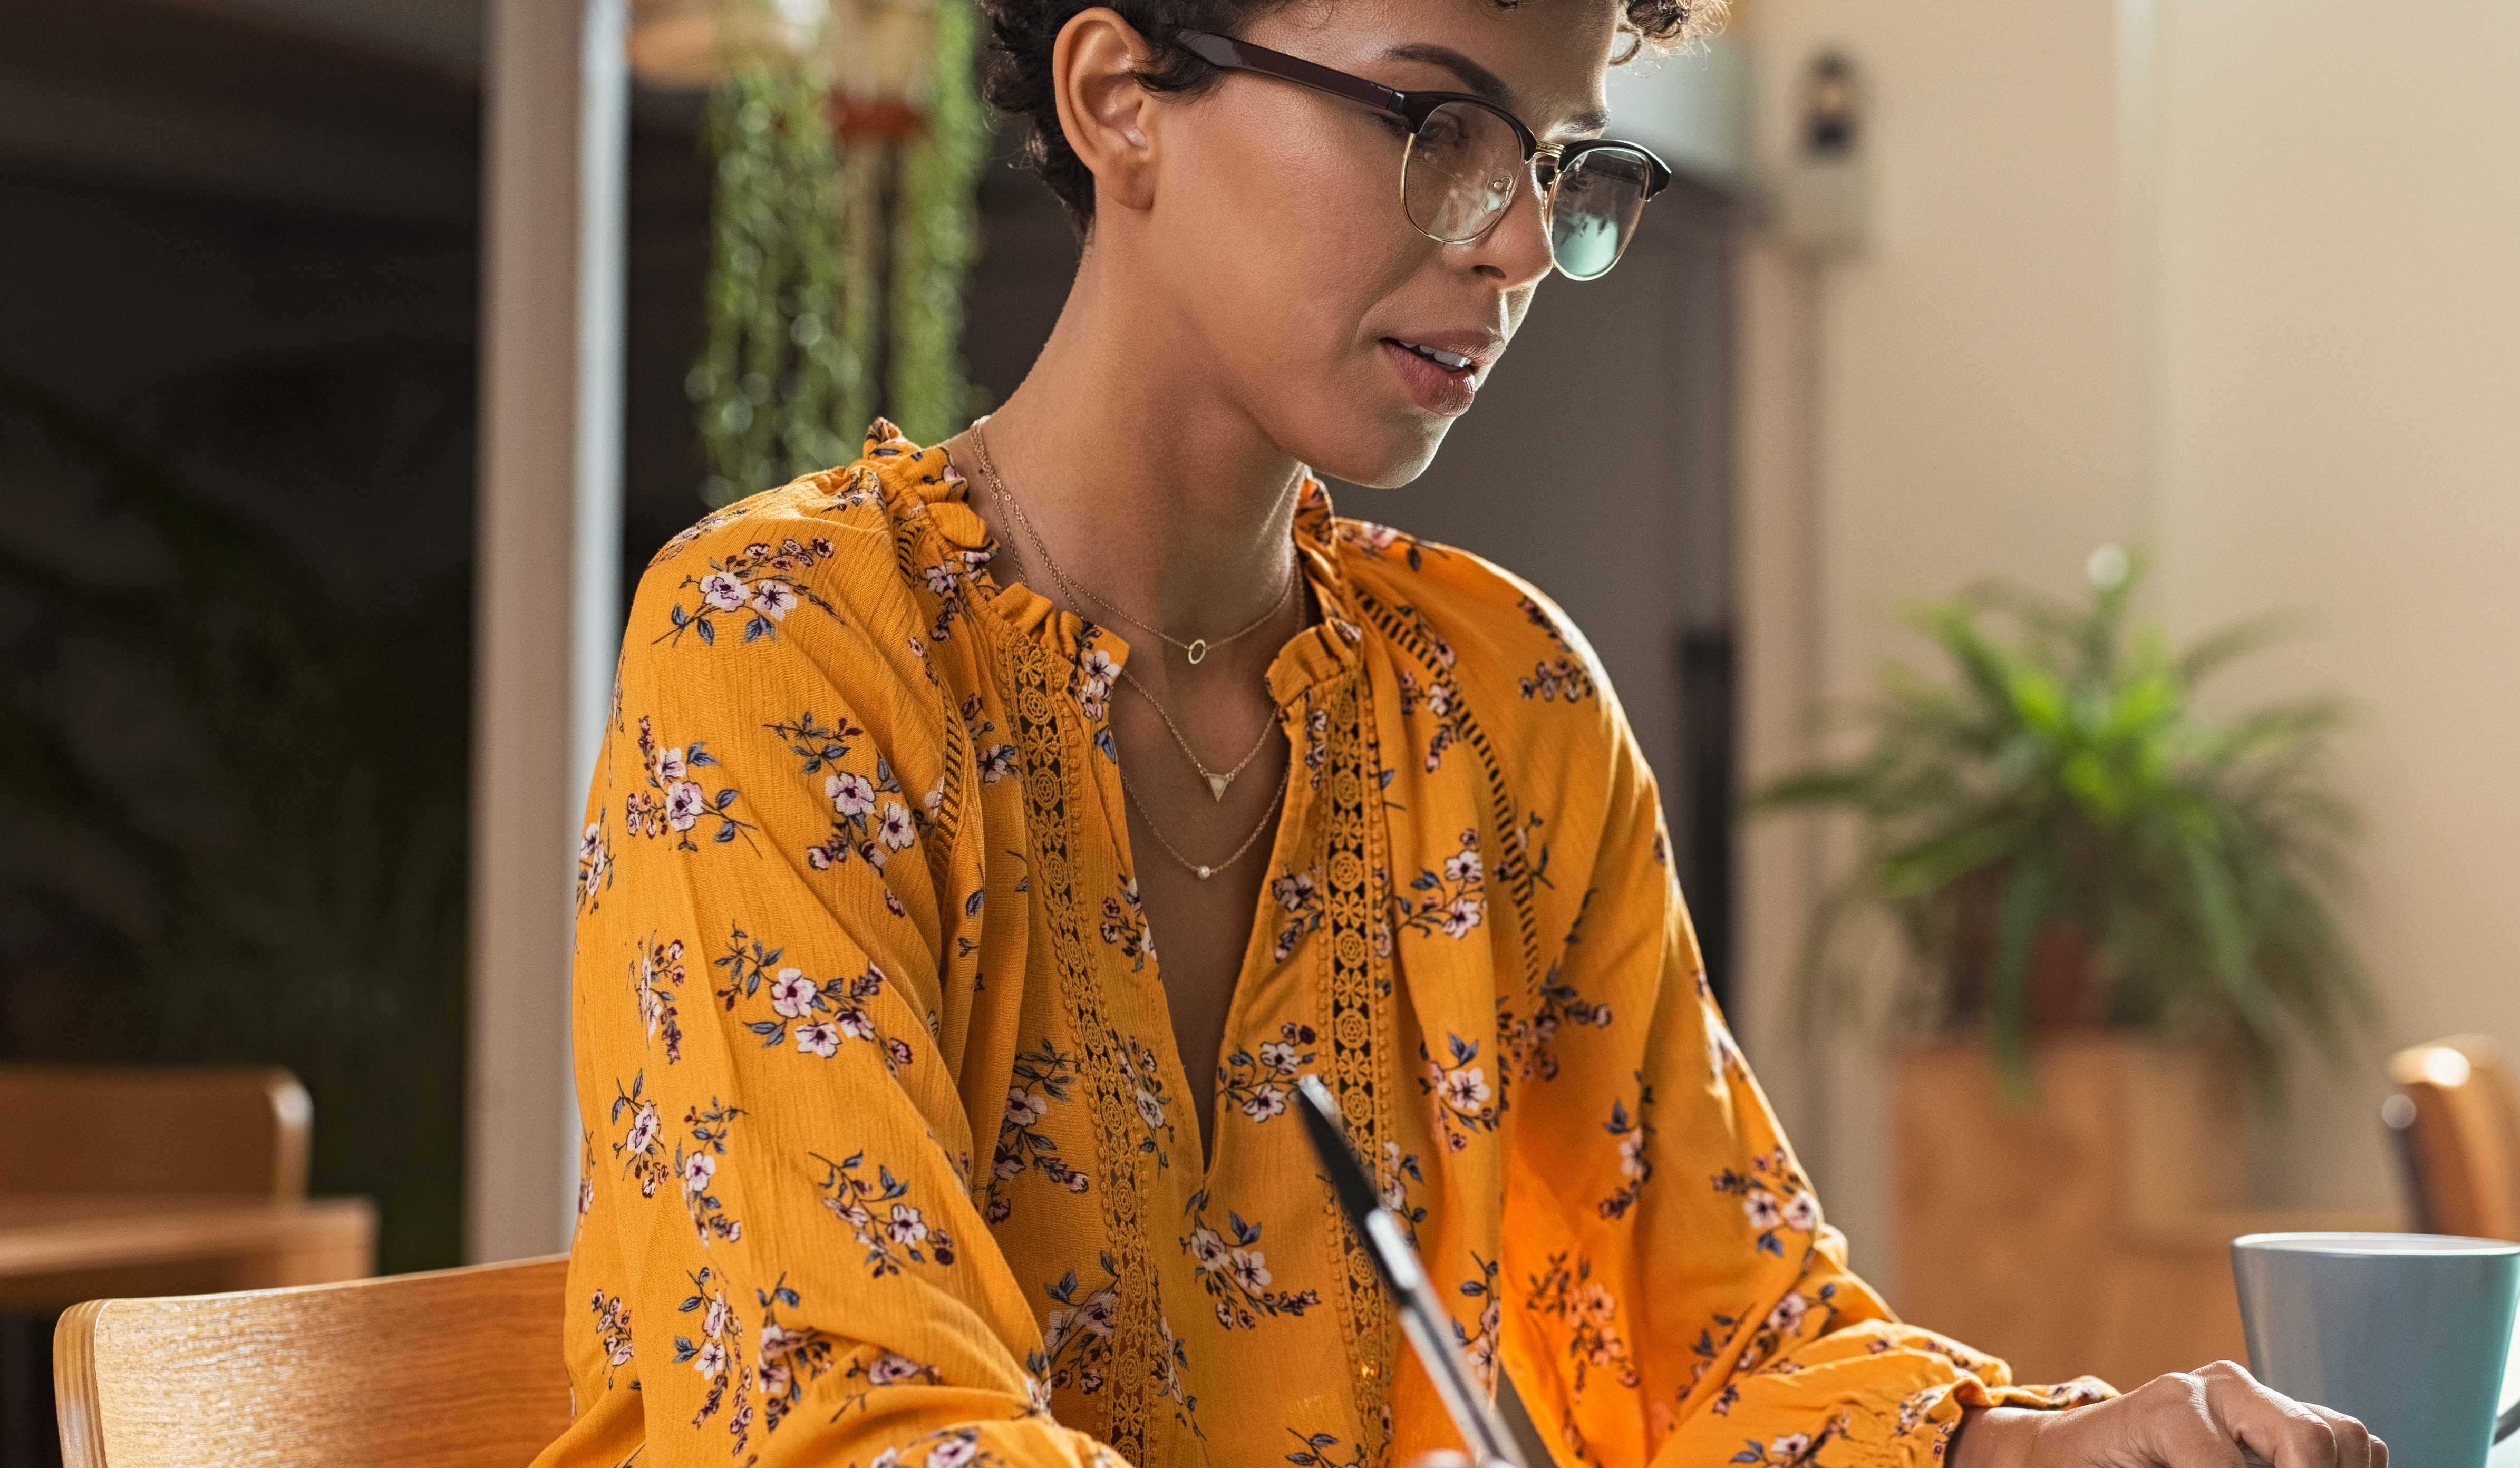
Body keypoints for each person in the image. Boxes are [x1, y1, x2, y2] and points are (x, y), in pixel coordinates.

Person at [539, 2, 2386, 1466]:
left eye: (1557, 161)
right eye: (1440, 130)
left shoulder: (1502, 704)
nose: (1515, 243)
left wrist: (2032, 1451)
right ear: (1121, 99)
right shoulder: (789, 647)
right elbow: (834, 1422)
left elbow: (1729, 1343)